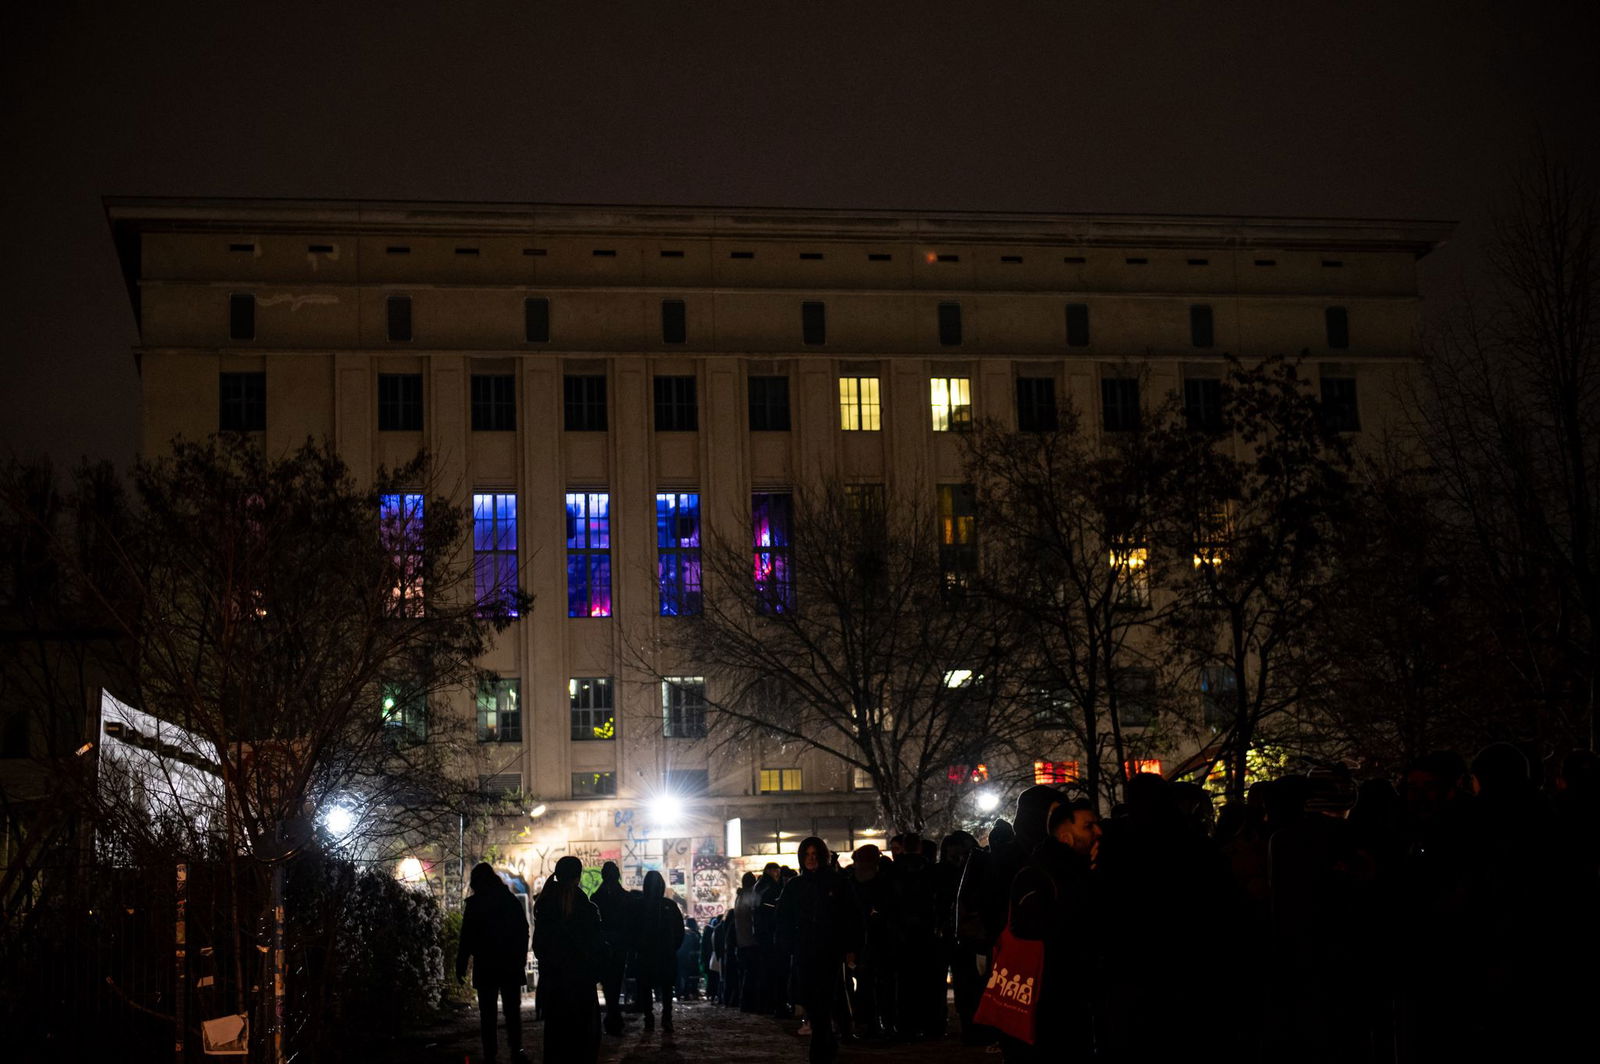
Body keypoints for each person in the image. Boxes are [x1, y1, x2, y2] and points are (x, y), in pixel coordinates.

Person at [1008, 800, 1102, 1062]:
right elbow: (1031, 928)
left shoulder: (1082, 870)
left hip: (1077, 991)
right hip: (1050, 996)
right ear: (1065, 836)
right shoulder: (1039, 874)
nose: (1098, 832)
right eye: (1088, 826)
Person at [777, 837, 862, 1064]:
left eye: (815, 855)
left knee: (824, 998)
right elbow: (783, 919)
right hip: (805, 951)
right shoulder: (795, 886)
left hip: (829, 951)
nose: (811, 859)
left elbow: (851, 917)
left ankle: (821, 1045)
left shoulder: (838, 883)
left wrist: (850, 947)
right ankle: (827, 1040)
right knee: (812, 999)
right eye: (807, 855)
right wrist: (788, 945)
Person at [456, 863, 530, 1064]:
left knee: (487, 1013)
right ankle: (516, 1050)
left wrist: (461, 963)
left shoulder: (475, 905)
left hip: (486, 965)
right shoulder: (509, 900)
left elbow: (466, 937)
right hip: (509, 965)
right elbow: (522, 930)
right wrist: (520, 958)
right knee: (512, 1011)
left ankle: (490, 1053)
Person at [532, 856, 602, 1064]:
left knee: (556, 1039)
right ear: (578, 877)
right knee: (582, 1040)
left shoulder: (544, 906)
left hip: (554, 983)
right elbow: (596, 947)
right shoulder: (587, 909)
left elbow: (539, 947)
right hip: (581, 985)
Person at [633, 869, 686, 1033]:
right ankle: (666, 1019)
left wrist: (637, 948)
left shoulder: (638, 906)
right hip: (666, 954)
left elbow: (631, 931)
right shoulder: (670, 906)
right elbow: (679, 932)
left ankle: (649, 1020)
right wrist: (672, 947)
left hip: (646, 954)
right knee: (667, 989)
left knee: (646, 989)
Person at [590, 860, 634, 1035]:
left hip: (604, 945)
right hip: (619, 945)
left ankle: (613, 1014)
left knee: (609, 983)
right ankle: (614, 1015)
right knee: (615, 981)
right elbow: (630, 924)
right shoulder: (625, 897)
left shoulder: (596, 898)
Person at [678, 917, 703, 1000]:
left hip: (683, 957)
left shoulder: (684, 933)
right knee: (693, 976)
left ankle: (683, 992)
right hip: (694, 958)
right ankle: (693, 992)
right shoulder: (696, 934)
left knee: (683, 976)